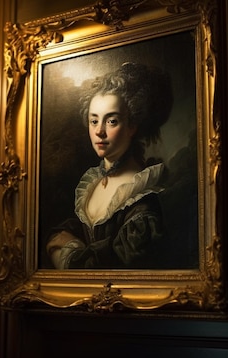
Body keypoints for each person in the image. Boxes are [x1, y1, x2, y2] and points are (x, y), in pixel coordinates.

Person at [45, 62, 174, 269]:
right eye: (94, 121)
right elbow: (64, 233)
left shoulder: (142, 198)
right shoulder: (92, 182)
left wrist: (69, 251)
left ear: (132, 125)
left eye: (111, 121)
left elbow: (120, 270)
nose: (100, 132)